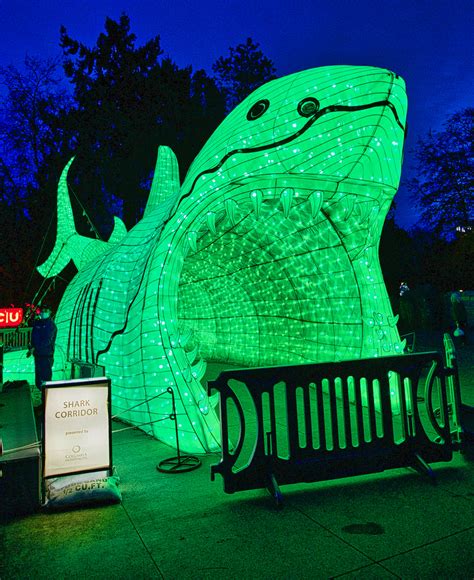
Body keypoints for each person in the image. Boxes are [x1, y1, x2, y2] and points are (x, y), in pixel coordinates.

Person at [28, 305, 57, 398]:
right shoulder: (37, 323)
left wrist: (35, 347)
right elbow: (33, 337)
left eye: (46, 310)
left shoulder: (51, 325)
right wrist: (31, 347)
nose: (43, 312)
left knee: (46, 380)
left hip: (46, 356)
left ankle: (48, 401)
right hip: (38, 356)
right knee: (38, 380)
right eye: (42, 310)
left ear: (50, 312)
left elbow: (47, 341)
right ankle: (43, 400)